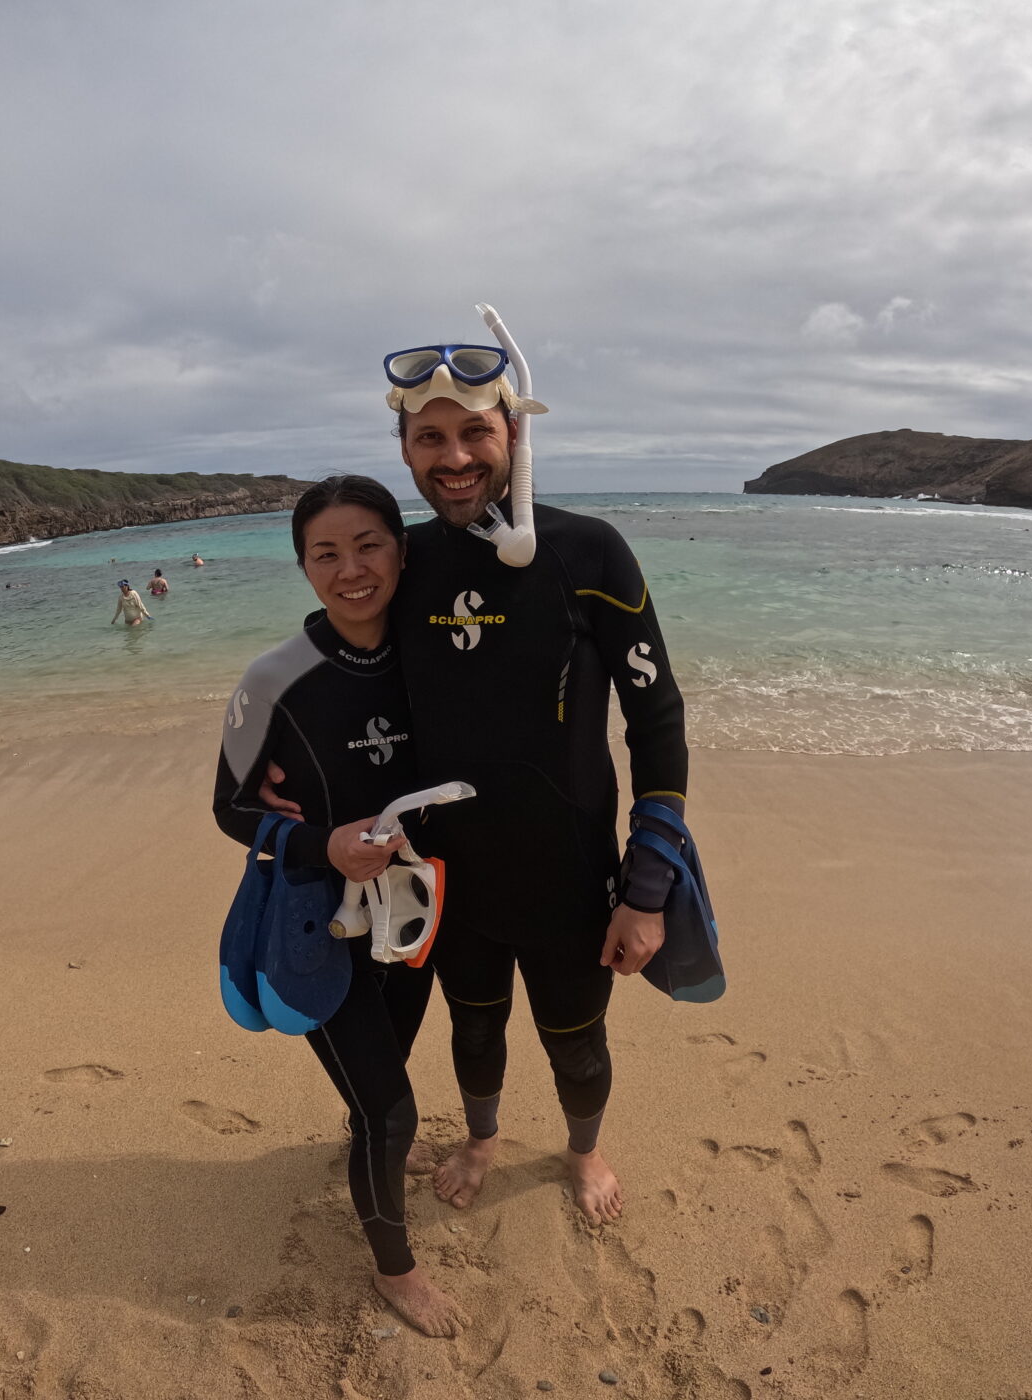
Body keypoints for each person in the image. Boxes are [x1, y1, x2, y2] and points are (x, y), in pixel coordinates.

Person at [264, 332, 688, 1226]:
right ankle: (484, 1138)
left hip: (573, 876)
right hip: (452, 878)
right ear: (404, 450)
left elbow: (656, 720)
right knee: (474, 1029)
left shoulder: (590, 553)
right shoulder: (405, 562)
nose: (453, 457)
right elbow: (346, 668)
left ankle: (584, 1150)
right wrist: (280, 761)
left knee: (577, 1042)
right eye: (430, 437)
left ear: (514, 434)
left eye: (475, 433)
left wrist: (648, 887)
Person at [213, 476, 466, 1339]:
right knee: (393, 1111)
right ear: (303, 567)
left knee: (384, 1074)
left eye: (368, 546)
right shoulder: (275, 679)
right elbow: (229, 807)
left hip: (415, 910)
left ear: (402, 550)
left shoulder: (438, 654)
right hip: (319, 921)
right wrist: (322, 845)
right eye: (326, 553)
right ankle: (396, 1272)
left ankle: (367, 1142)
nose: (351, 569)